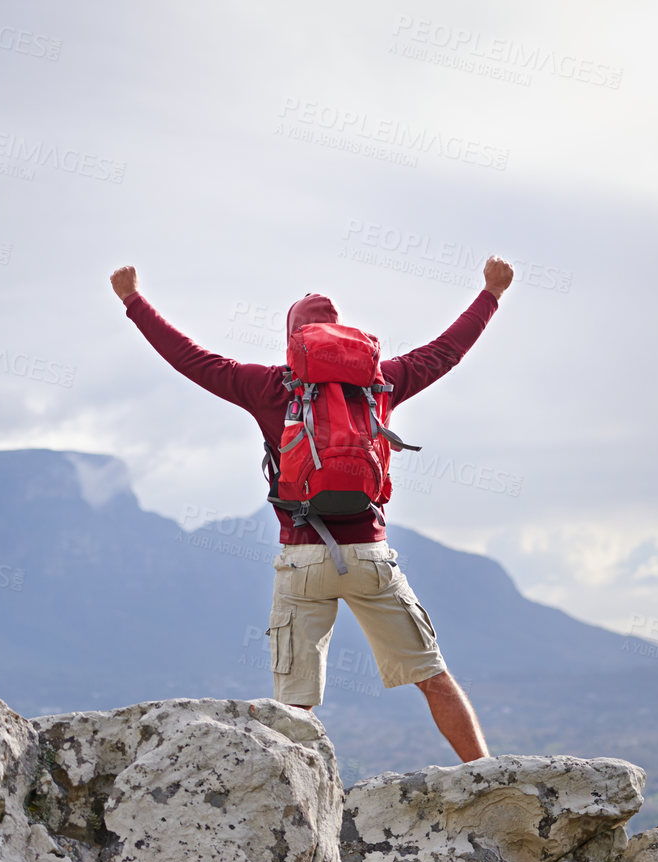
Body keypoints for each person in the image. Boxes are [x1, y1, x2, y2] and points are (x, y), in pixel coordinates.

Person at [111, 257, 514, 763]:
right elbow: (446, 351)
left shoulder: (267, 386)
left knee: (294, 708)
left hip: (302, 559)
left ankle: (299, 808)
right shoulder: (381, 381)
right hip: (370, 556)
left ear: (293, 340)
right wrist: (490, 294)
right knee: (432, 676)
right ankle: (486, 774)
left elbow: (191, 359)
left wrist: (133, 301)